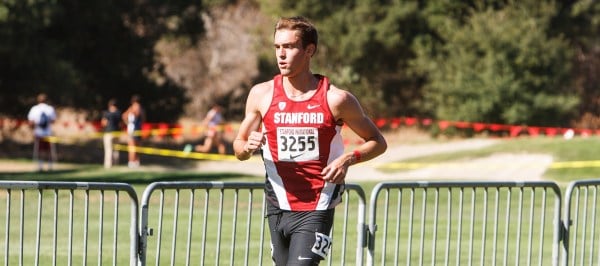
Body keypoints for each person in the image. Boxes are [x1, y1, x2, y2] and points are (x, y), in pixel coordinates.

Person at [233, 16, 387, 265]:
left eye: (289, 47)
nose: (281, 55)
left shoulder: (336, 99)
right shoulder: (261, 94)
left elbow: (377, 141)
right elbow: (238, 146)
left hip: (318, 206)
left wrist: (348, 159)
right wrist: (246, 147)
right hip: (277, 204)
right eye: (277, 47)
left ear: (309, 50)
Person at [27, 93, 57, 171]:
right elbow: (53, 120)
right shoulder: (50, 108)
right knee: (49, 150)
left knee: (40, 150)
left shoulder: (34, 108)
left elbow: (31, 122)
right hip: (48, 133)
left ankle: (40, 166)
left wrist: (32, 128)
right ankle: (50, 166)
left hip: (39, 133)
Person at [122, 94, 145, 168]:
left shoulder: (134, 108)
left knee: (133, 147)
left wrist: (128, 122)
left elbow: (124, 116)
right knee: (134, 147)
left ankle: (133, 162)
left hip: (134, 130)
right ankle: (133, 162)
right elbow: (124, 116)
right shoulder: (136, 108)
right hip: (134, 130)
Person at [101, 98, 122, 168]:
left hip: (108, 133)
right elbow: (120, 124)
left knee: (108, 149)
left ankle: (108, 165)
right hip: (116, 133)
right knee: (116, 149)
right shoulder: (118, 113)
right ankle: (116, 164)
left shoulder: (107, 113)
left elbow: (104, 123)